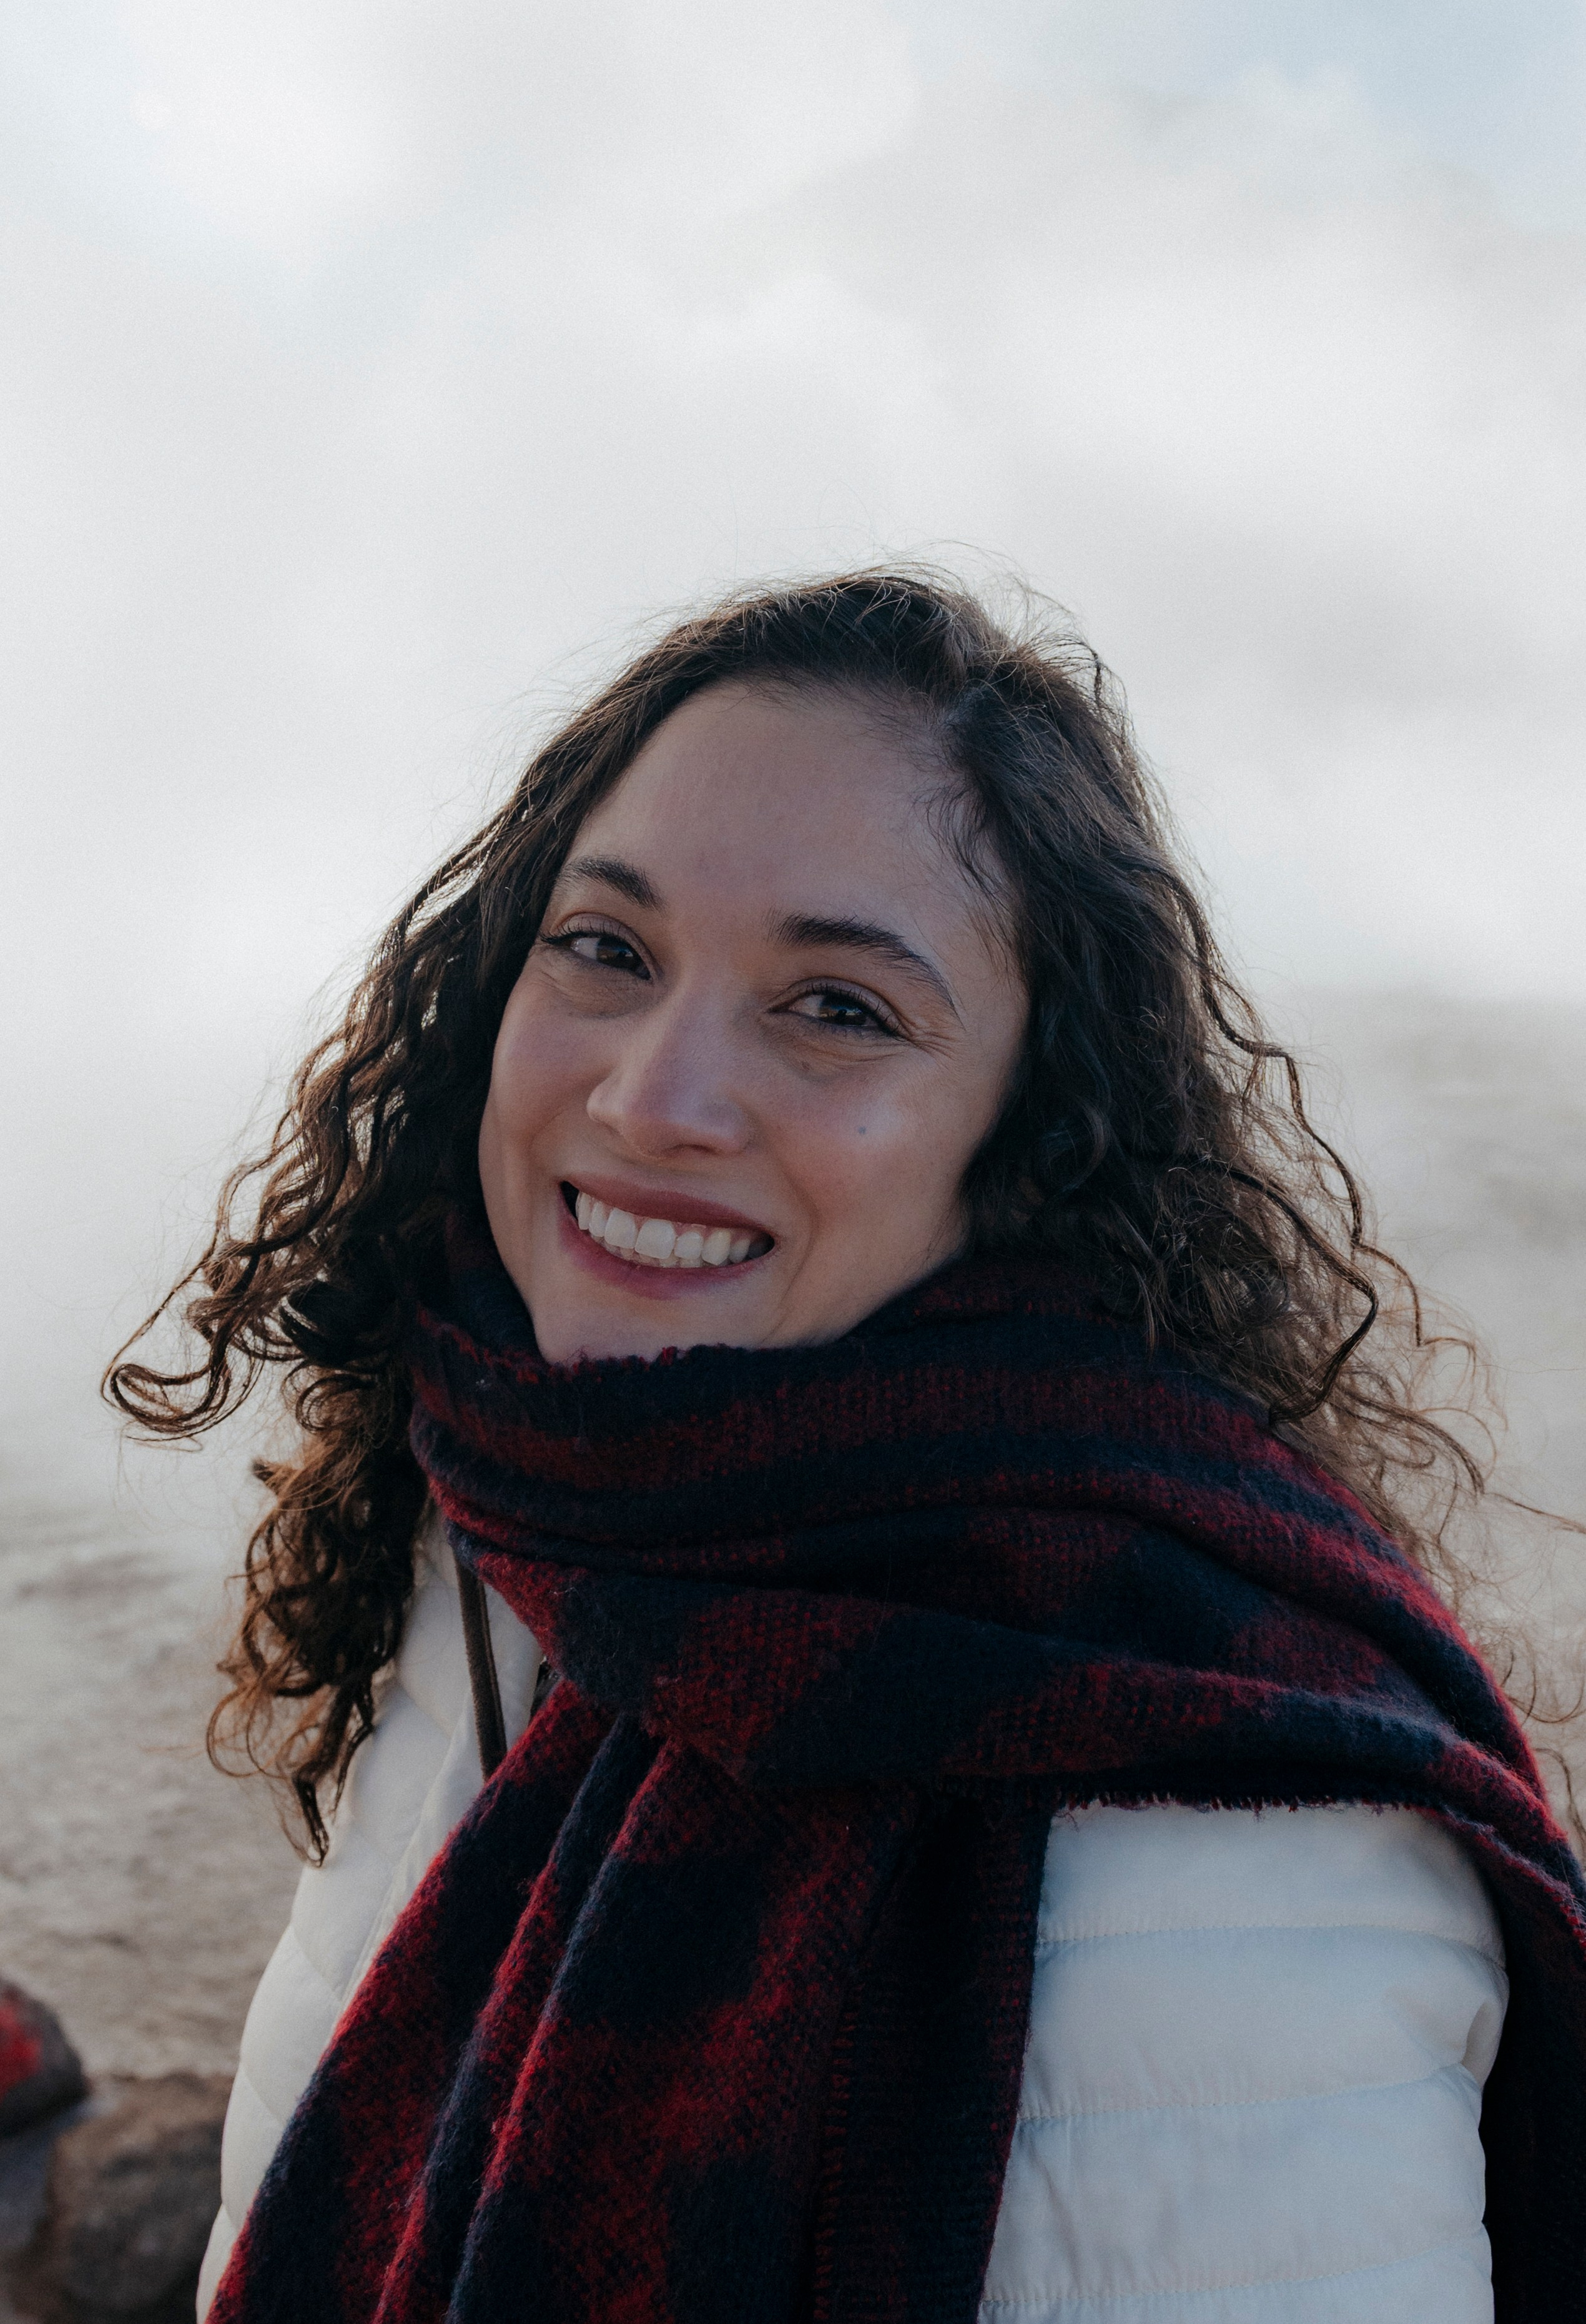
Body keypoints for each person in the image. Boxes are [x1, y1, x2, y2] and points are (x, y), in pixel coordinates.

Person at [109, 571, 1586, 2324]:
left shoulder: (1224, 1841)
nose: (655, 1097)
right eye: (607, 948)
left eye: (837, 1007)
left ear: (1031, 1135)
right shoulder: (516, 1530)